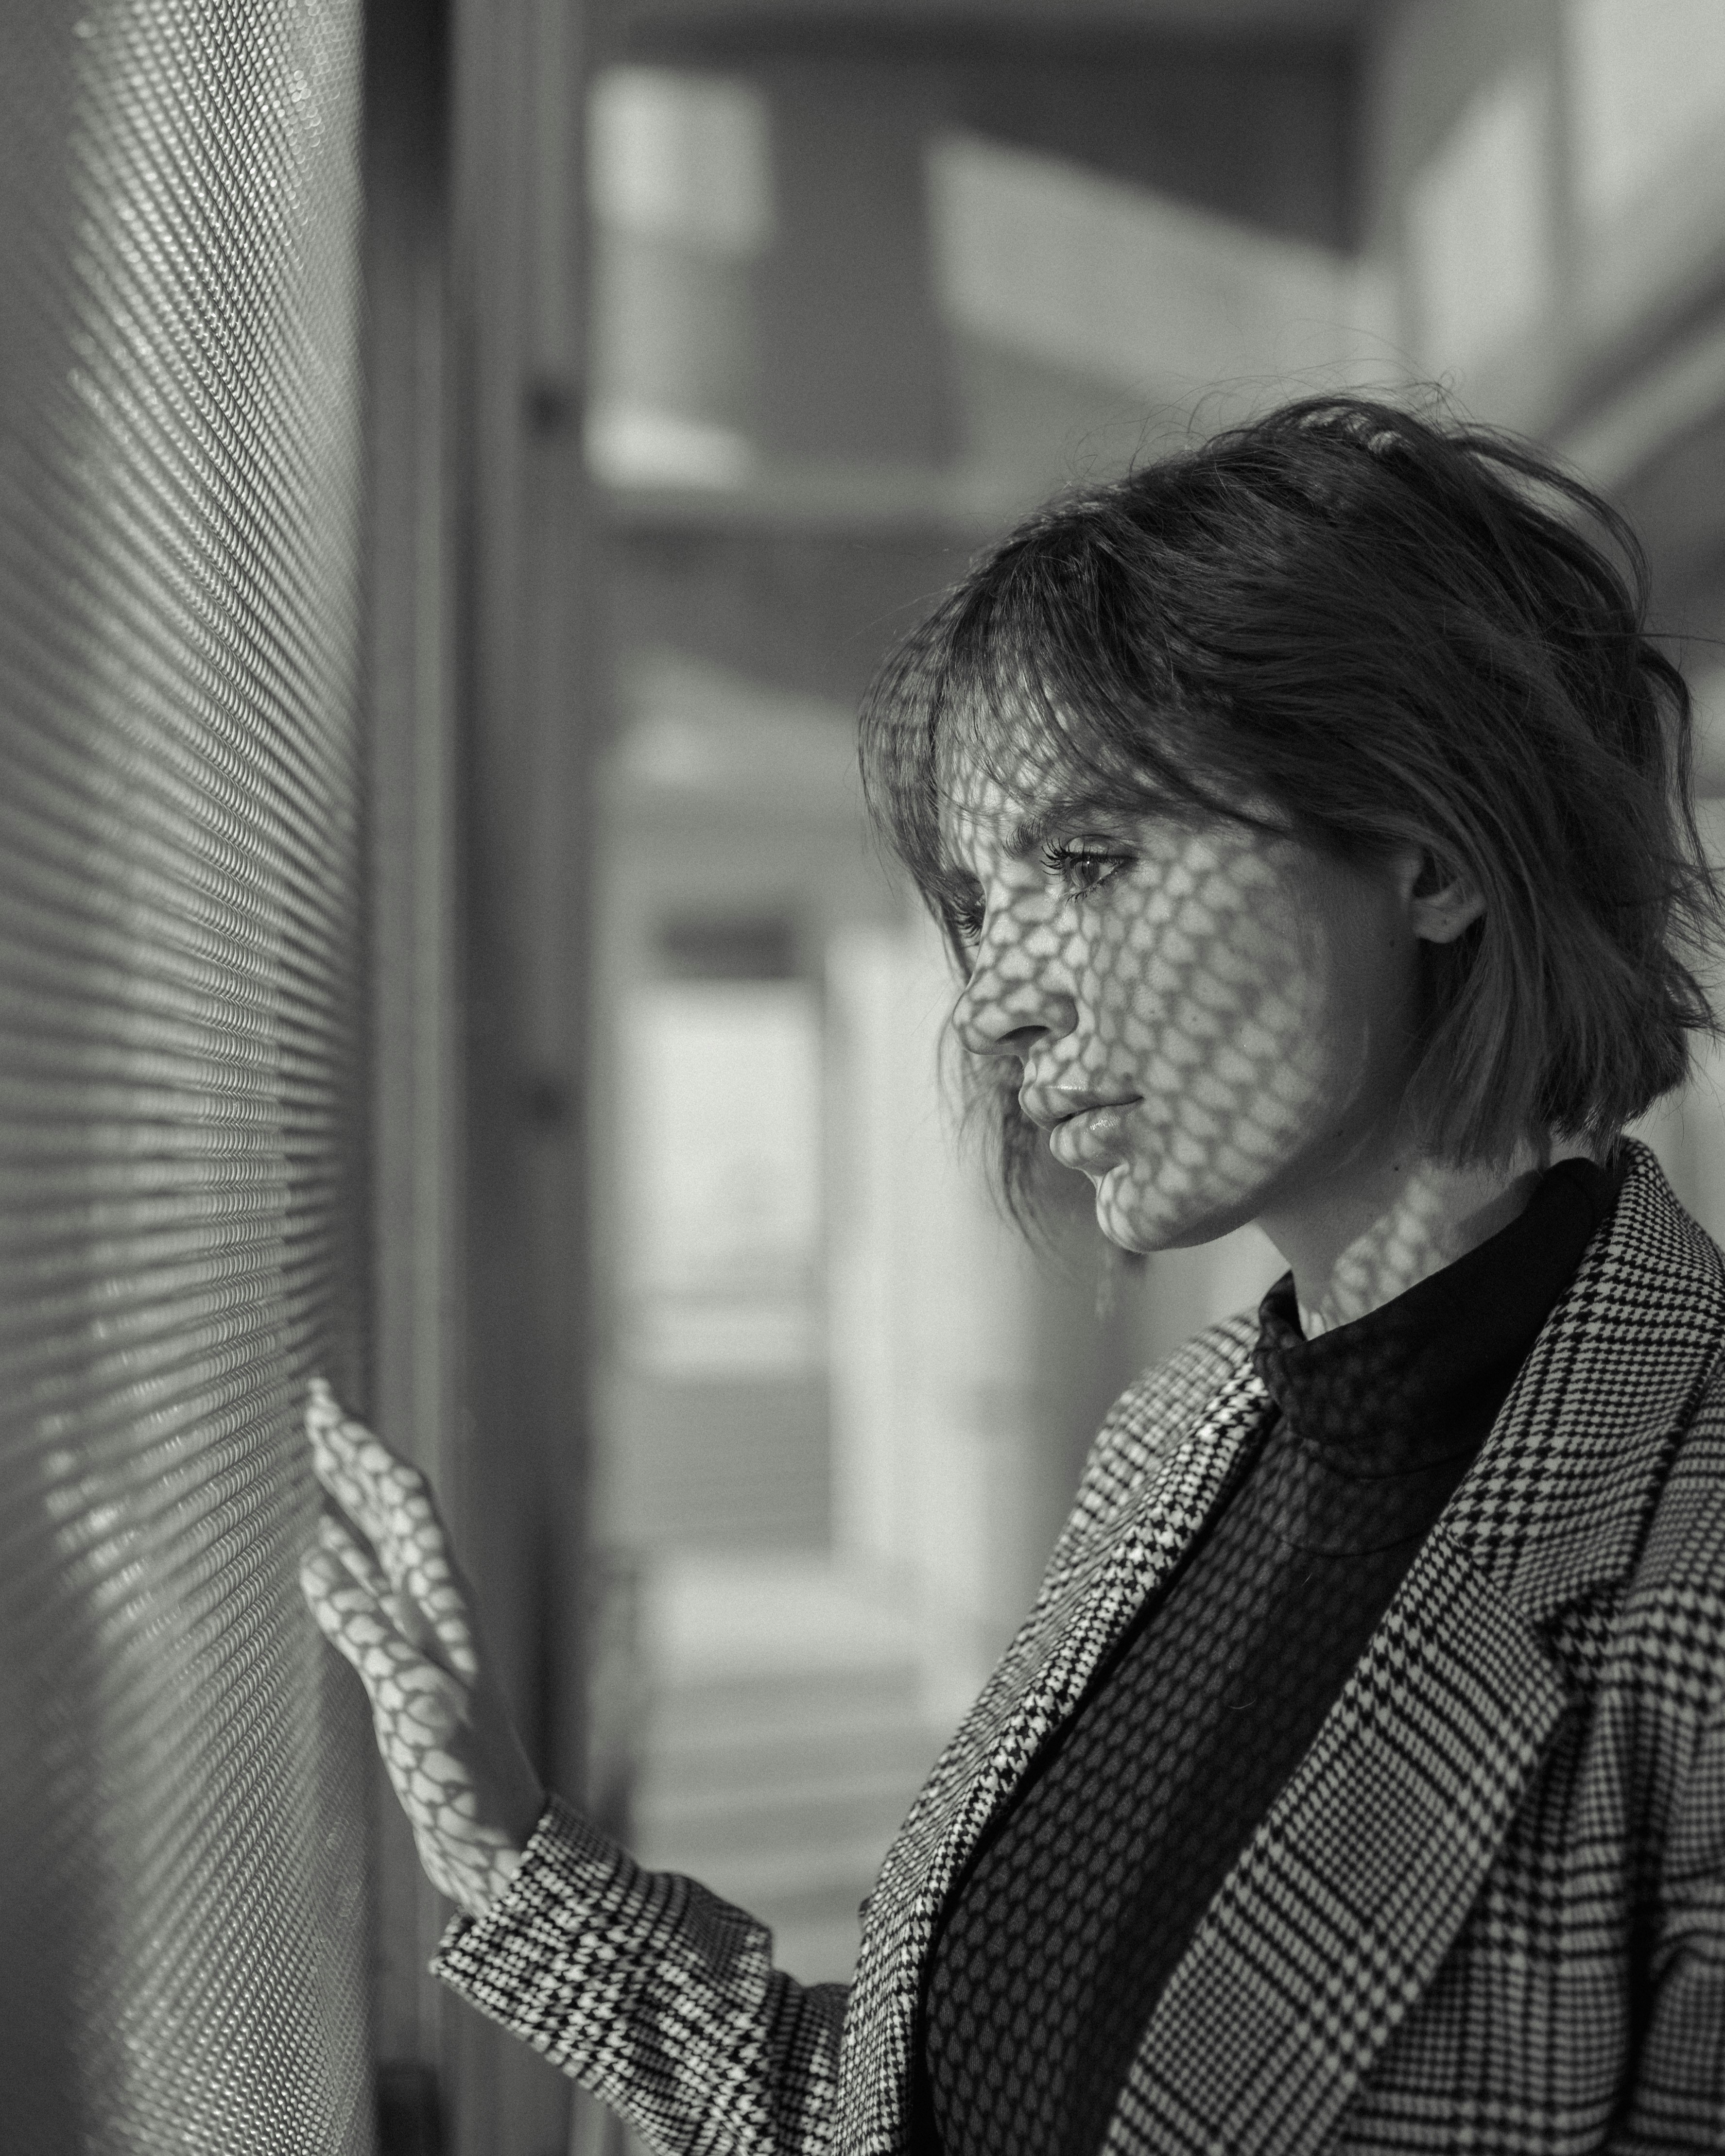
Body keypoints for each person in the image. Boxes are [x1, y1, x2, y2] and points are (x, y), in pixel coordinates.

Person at [301, 395, 1725, 2153]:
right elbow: (922, 2116)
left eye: (1094, 861)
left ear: (1426, 847)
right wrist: (513, 1849)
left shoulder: (1691, 1569)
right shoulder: (1177, 1449)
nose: (997, 999)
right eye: (981, 906)